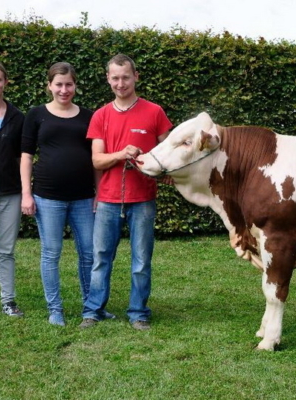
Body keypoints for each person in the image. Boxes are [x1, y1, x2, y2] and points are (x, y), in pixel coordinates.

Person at [79, 54, 172, 331]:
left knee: (141, 259)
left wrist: (153, 163)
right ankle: (93, 310)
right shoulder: (100, 115)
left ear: (136, 77)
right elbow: (96, 160)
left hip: (142, 198)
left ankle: (138, 313)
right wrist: (121, 154)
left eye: (126, 77)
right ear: (108, 79)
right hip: (108, 198)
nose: (121, 83)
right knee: (101, 258)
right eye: (115, 78)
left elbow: (167, 155)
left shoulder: (154, 112)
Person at [20, 62, 101, 326]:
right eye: (59, 84)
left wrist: (99, 192)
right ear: (49, 85)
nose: (64, 90)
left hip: (83, 197)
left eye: (69, 84)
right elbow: (26, 156)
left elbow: (96, 157)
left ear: (75, 85)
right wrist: (26, 194)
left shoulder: (88, 116)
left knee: (89, 253)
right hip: (47, 197)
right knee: (51, 253)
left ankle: (91, 307)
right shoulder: (36, 115)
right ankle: (55, 309)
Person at [0, 61, 25, 317]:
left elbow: (21, 158)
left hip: (10, 193)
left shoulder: (17, 117)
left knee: (5, 250)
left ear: (5, 82)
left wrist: (26, 189)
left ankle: (8, 300)